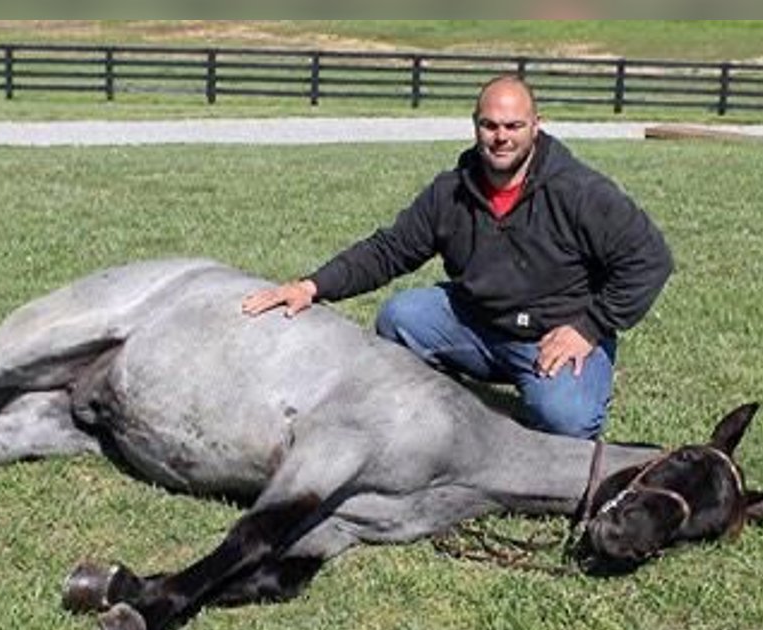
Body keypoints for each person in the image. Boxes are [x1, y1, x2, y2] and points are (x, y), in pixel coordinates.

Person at [241, 76, 672, 439]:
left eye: (514, 125)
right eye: (490, 125)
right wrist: (311, 286)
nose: (501, 137)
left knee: (567, 421)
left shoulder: (579, 191)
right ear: (475, 126)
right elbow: (390, 250)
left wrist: (589, 327)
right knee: (401, 317)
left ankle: (567, 387)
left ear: (536, 126)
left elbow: (651, 259)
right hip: (478, 324)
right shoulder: (451, 192)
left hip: (554, 336)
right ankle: (453, 409)